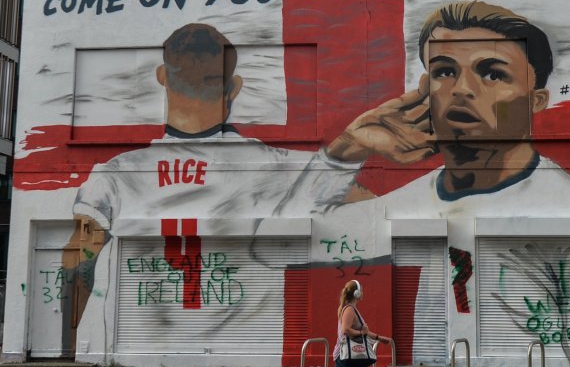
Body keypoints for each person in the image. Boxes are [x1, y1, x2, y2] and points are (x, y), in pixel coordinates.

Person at [60, 23, 362, 349]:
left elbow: (78, 258)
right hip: (252, 347)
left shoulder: (117, 173)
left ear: (162, 75)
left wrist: (67, 348)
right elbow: (360, 195)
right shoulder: (275, 164)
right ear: (234, 87)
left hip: (145, 345)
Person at [327, 0, 570, 209]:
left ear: (536, 101)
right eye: (445, 71)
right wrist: (343, 150)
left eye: (493, 74)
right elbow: (304, 239)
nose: (462, 89)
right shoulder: (404, 206)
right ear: (426, 88)